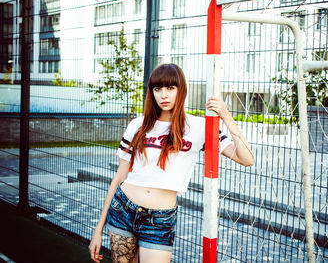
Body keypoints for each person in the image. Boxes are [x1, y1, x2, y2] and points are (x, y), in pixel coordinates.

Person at [89, 63, 254, 263]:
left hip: (159, 219)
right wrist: (98, 229)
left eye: (170, 88)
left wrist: (226, 116)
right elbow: (119, 177)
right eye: (157, 89)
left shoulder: (198, 127)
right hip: (123, 208)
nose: (163, 95)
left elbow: (246, 159)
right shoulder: (137, 125)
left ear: (181, 90)